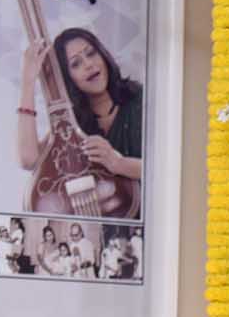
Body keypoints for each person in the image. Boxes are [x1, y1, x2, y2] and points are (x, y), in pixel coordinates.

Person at [17, 28, 143, 217]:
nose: (89, 65)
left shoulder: (142, 101)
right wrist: (28, 82)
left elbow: (167, 168)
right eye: (76, 64)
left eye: (91, 53)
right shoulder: (72, 125)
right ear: (68, 78)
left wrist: (118, 163)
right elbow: (28, 159)